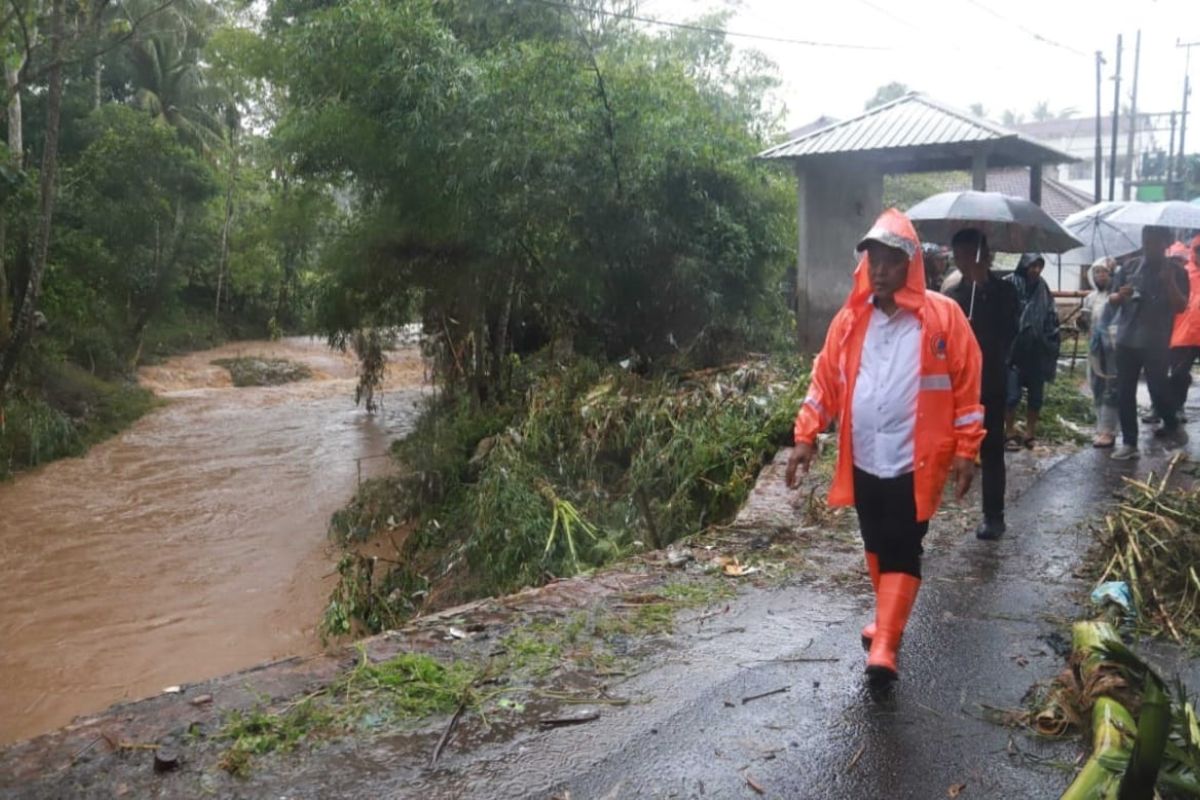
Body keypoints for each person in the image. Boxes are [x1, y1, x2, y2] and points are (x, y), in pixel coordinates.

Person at [785, 208, 984, 686]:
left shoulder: (943, 319)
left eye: (889, 260)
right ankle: (887, 619)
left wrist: (966, 449)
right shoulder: (851, 321)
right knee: (875, 541)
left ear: (910, 265)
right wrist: (805, 435)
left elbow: (968, 386)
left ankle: (886, 645)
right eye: (871, 258)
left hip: (919, 459)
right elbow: (825, 383)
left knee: (904, 546)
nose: (878, 269)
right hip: (864, 458)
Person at [943, 229, 1019, 541]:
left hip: (990, 382)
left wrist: (984, 294)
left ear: (982, 256)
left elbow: (1011, 330)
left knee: (991, 449)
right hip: (956, 387)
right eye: (957, 256)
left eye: (967, 255)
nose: (961, 262)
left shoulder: (1004, 292)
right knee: (947, 448)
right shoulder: (952, 297)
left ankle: (993, 515)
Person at [1108, 225, 1190, 459]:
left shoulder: (1176, 271)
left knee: (1158, 390)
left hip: (1156, 340)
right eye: (1145, 240)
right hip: (1126, 338)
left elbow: (1181, 306)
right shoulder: (1129, 267)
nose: (1149, 245)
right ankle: (1130, 443)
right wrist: (1119, 295)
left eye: (1154, 241)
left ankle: (1173, 425)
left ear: (1166, 242)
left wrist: (1169, 282)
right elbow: (1112, 299)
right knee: (1124, 392)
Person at [1005, 254, 1061, 449]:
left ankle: (1030, 433)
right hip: (1013, 350)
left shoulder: (1043, 288)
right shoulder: (1009, 284)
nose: (1036, 270)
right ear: (1024, 266)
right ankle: (1009, 431)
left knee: (1036, 395)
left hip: (1036, 349)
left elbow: (1051, 313)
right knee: (1011, 395)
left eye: (1039, 266)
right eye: (1032, 266)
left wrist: (1048, 339)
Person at [1080, 257, 1119, 447]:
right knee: (1096, 387)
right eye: (1097, 272)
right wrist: (1081, 321)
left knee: (1112, 388)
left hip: (1113, 349)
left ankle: (1109, 431)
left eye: (1104, 272)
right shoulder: (1090, 298)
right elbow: (1086, 325)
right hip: (1095, 350)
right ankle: (1100, 427)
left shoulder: (1118, 297)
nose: (1100, 275)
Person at [1167, 234, 1200, 422]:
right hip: (1184, 332)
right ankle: (1177, 406)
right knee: (1179, 373)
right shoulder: (1183, 272)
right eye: (1199, 250)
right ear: (1193, 252)